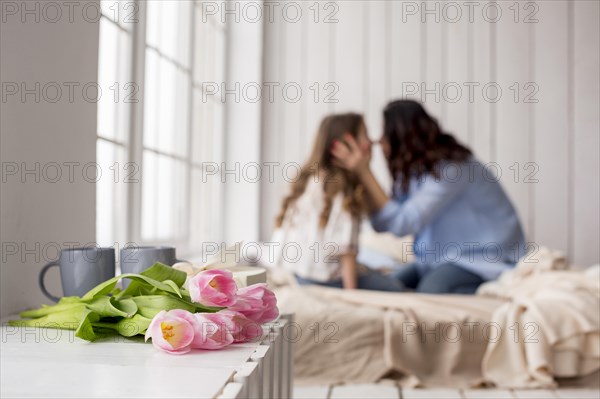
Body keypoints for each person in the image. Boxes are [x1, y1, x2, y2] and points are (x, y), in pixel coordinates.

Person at [332, 100, 526, 294]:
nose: (379, 142)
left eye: (385, 134)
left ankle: (495, 287)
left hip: (480, 259)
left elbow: (404, 223)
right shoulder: (411, 173)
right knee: (389, 286)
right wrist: (360, 174)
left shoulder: (453, 169)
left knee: (430, 290)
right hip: (438, 260)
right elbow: (385, 223)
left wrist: (365, 173)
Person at [272, 113, 405, 291]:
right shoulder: (344, 190)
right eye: (365, 135)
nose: (371, 143)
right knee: (395, 287)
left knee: (378, 272)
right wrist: (351, 294)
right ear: (347, 144)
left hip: (300, 276)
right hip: (329, 280)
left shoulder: (308, 179)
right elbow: (346, 250)